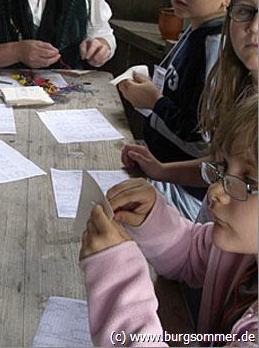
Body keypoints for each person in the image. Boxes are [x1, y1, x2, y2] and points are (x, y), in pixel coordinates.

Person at [80, 94, 258, 347]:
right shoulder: (243, 249)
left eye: (248, 181)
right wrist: (152, 219)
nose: (215, 191)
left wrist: (118, 275)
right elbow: (189, 254)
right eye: (223, 169)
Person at [118, 0, 252, 220]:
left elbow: (204, 141)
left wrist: (156, 103)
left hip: (190, 195)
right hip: (166, 171)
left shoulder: (218, 50)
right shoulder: (194, 29)